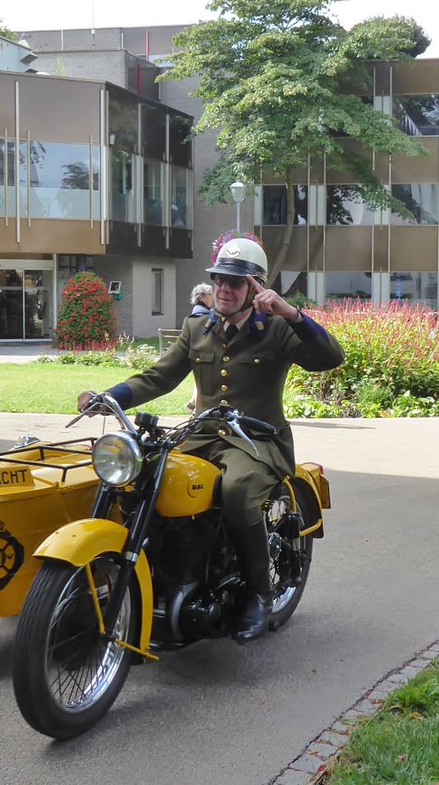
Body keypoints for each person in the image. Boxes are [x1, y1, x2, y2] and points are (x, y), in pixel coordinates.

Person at [77, 238, 344, 644]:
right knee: (138, 481)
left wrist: (290, 313)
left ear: (256, 287)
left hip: (256, 441)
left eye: (236, 282)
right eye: (219, 279)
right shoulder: (197, 328)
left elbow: (330, 358)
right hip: (200, 436)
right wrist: (109, 397)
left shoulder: (276, 329)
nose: (224, 288)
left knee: (237, 493)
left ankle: (258, 592)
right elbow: (159, 377)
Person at [185, 284, 215, 411]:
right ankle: (195, 403)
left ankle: (193, 402)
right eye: (210, 295)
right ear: (202, 297)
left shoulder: (197, 311)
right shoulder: (203, 314)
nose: (213, 298)